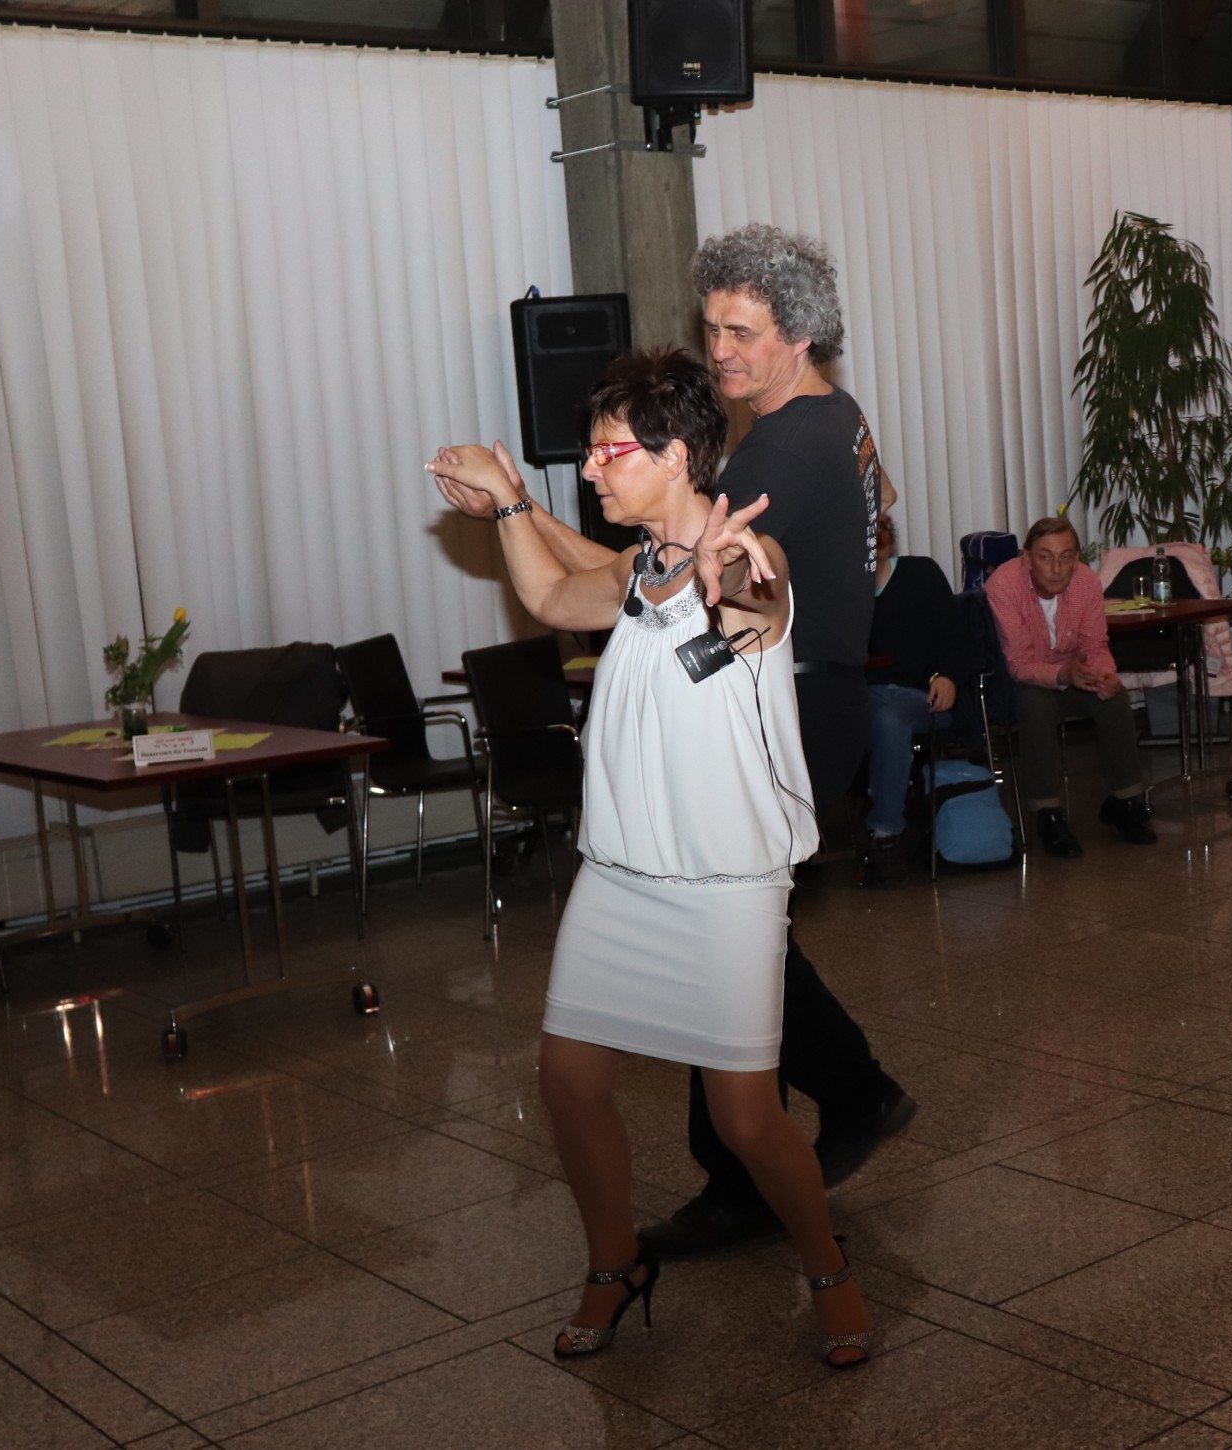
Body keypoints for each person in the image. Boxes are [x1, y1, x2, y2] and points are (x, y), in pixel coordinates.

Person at [431, 223, 914, 1260]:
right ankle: (837, 1102)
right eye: (712, 328)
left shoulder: (776, 451)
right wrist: (519, 512)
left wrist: (532, 512)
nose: (720, 351)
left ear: (800, 335)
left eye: (742, 332)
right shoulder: (834, 416)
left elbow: (714, 573)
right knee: (747, 939)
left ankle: (775, 1153)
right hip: (808, 679)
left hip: (782, 692)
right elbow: (632, 573)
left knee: (731, 929)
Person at [984, 517, 1156, 857]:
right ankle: (1046, 813)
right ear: (1027, 558)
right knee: (1036, 703)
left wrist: (1103, 675)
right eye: (1045, 557)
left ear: (1077, 558)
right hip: (1018, 684)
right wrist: (1064, 675)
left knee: (1113, 697)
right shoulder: (1003, 585)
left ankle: (1126, 801)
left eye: (1066, 557)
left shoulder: (1086, 582)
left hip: (1071, 675)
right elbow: (1018, 664)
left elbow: (1095, 646)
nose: (1057, 568)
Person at [862, 512, 970, 885]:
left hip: (924, 697)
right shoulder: (843, 592)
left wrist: (949, 676)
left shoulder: (921, 573)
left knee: (889, 718)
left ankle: (885, 832)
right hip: (864, 696)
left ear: (890, 538)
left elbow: (959, 640)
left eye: (880, 530)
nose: (874, 539)